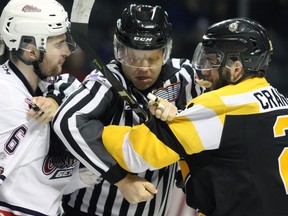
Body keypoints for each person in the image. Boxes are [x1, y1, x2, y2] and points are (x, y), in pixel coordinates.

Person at [96, 17, 288, 216]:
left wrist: (95, 129)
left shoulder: (219, 105)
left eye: (213, 62)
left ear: (236, 68)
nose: (205, 70)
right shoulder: (282, 102)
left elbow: (134, 154)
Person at [53, 4, 205, 216]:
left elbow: (225, 99)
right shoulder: (106, 81)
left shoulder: (184, 77)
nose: (143, 67)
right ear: (119, 51)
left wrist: (183, 116)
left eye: (152, 57)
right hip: (88, 211)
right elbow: (67, 120)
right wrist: (122, 180)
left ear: (165, 52)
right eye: (133, 57)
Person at [0, 0, 100, 215]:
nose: (67, 51)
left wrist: (77, 176)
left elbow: (30, 179)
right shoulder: (5, 98)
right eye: (58, 44)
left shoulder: (47, 87)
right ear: (30, 50)